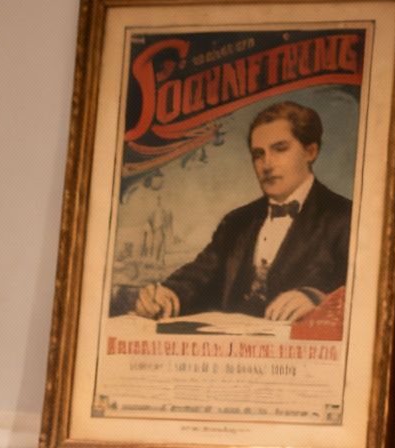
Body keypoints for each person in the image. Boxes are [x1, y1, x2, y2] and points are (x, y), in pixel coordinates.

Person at [132, 100, 352, 322]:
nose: (266, 164)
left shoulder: (346, 218)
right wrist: (168, 295)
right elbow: (201, 274)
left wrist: (317, 299)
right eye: (258, 154)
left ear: (310, 151)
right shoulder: (237, 221)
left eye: (280, 149)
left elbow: (364, 294)